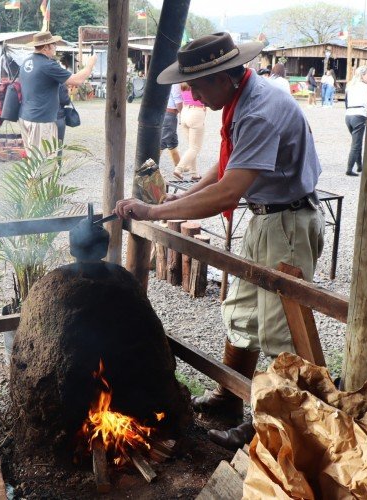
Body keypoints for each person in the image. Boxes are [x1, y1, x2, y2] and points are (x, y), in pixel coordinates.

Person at [115, 32, 324, 451]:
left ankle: (271, 426)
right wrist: (180, 198)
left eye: (197, 84)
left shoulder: (259, 111)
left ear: (224, 77)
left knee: (282, 332)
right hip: (269, 220)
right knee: (245, 313)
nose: (191, 93)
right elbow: (227, 166)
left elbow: (230, 192)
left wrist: (156, 212)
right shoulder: (242, 99)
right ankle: (230, 397)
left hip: (287, 224)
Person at [18, 31, 97, 153]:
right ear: (45, 47)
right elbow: (77, 80)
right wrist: (90, 65)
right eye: (53, 44)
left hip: (26, 117)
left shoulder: (26, 62)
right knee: (44, 164)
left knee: (33, 162)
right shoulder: (48, 65)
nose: (55, 47)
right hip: (41, 120)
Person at [175, 82, 206, 180]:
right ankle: (178, 169)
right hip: (196, 112)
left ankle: (194, 173)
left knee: (191, 147)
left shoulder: (183, 83)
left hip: (185, 111)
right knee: (195, 148)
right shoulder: (198, 83)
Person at [344, 66, 367, 176]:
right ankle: (349, 169)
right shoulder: (364, 87)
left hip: (349, 115)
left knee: (357, 142)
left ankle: (360, 165)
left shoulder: (350, 85)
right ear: (362, 75)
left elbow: (346, 101)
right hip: (359, 114)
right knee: (356, 144)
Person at [160, 83, 183, 170]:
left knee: (172, 143)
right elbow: (177, 99)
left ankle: (179, 167)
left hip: (167, 113)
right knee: (161, 144)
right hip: (170, 114)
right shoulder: (176, 82)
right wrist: (183, 114)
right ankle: (149, 171)